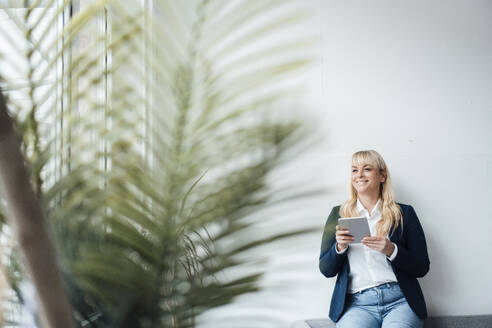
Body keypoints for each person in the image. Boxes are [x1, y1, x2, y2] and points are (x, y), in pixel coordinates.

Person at [319, 150, 430, 328]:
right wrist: (339, 247)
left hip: (400, 301)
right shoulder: (337, 214)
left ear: (382, 176)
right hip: (357, 305)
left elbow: (422, 267)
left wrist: (392, 250)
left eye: (367, 169)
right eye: (354, 170)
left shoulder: (404, 213)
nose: (359, 175)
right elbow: (326, 270)